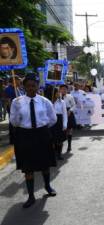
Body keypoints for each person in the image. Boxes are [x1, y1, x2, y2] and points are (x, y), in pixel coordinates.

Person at [10, 73, 57, 208]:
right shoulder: (16, 102)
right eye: (28, 86)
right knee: (28, 168)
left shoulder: (44, 101)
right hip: (24, 136)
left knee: (45, 164)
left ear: (37, 86)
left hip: (42, 134)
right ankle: (31, 196)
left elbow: (53, 119)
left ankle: (47, 186)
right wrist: (18, 114)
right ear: (24, 87)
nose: (31, 88)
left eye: (34, 85)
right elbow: (14, 122)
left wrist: (42, 127)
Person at [44, 86, 67, 160]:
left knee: (60, 140)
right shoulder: (48, 102)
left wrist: (64, 124)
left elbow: (64, 113)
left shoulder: (62, 102)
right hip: (51, 122)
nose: (58, 94)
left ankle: (59, 154)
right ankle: (53, 154)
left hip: (59, 121)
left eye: (59, 92)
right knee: (52, 139)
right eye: (57, 92)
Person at [59, 84, 76, 152]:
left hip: (68, 113)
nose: (64, 90)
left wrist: (70, 110)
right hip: (60, 114)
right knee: (61, 130)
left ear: (67, 90)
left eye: (65, 89)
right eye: (62, 89)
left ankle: (69, 145)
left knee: (69, 130)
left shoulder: (70, 96)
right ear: (60, 89)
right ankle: (60, 147)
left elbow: (74, 105)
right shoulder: (57, 96)